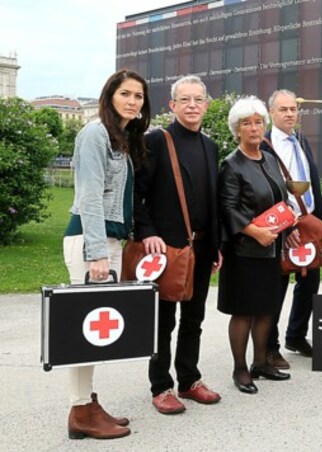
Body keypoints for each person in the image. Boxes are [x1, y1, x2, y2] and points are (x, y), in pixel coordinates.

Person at [62, 69, 150, 439]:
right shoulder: (95, 134)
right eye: (125, 94)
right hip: (90, 241)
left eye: (139, 96)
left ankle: (87, 403)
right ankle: (80, 410)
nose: (133, 101)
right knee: (86, 330)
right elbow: (91, 197)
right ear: (110, 96)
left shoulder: (121, 139)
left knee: (96, 331)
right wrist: (96, 253)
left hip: (107, 243)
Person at [134, 75, 222, 414]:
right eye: (184, 100)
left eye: (198, 100)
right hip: (166, 251)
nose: (192, 106)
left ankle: (188, 380)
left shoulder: (210, 146)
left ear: (206, 105)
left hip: (200, 249)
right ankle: (161, 386)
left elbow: (211, 202)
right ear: (172, 105)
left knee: (194, 318)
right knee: (164, 321)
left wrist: (215, 246)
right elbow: (137, 195)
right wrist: (147, 232)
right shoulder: (157, 141)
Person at [217, 96, 298, 394]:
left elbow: (280, 199)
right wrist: (255, 232)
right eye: (246, 123)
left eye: (258, 122)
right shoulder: (231, 165)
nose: (253, 128)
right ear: (236, 129)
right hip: (244, 252)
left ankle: (261, 362)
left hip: (271, 248)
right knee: (244, 311)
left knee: (266, 309)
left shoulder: (270, 158)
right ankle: (240, 369)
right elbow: (228, 208)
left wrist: (288, 228)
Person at [261, 89, 322, 369]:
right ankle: (269, 346)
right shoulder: (265, 144)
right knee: (276, 287)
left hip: (308, 221)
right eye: (283, 110)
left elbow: (310, 178)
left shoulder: (300, 139)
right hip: (283, 225)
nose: (290, 114)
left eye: (293, 109)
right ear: (271, 113)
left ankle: (296, 336)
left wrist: (320, 220)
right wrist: (286, 228)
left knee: (310, 282)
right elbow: (266, 189)